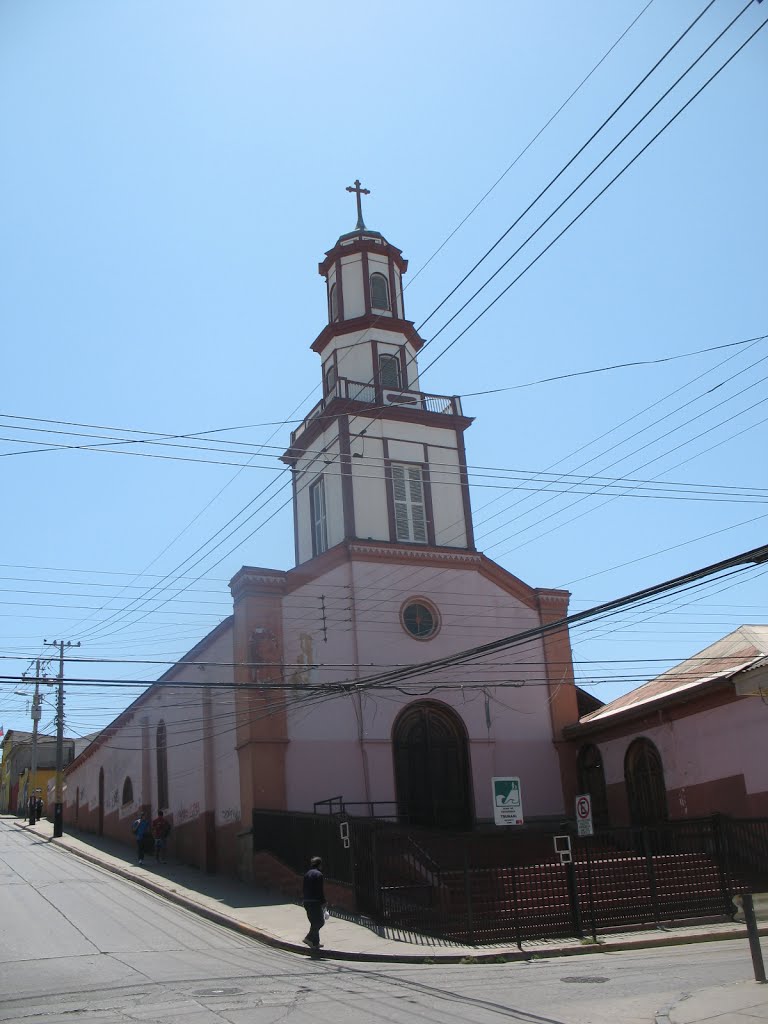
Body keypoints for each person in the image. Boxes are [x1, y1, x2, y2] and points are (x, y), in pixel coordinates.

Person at [302, 855, 326, 950]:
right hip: (315, 902)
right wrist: (323, 901)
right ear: (320, 865)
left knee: (314, 922)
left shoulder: (307, 874)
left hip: (307, 901)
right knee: (320, 922)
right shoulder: (319, 875)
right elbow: (319, 890)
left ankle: (315, 943)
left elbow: (303, 888)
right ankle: (308, 938)